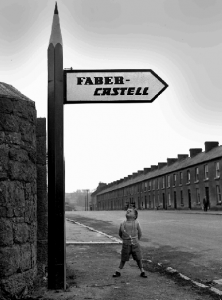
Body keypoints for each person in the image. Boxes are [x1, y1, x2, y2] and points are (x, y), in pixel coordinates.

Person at [112, 207, 147, 278]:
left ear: (135, 216)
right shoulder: (123, 223)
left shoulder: (136, 223)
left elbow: (140, 233)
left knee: (138, 258)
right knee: (123, 258)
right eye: (127, 211)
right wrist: (125, 239)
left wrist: (137, 240)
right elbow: (120, 233)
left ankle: (142, 271)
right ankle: (118, 271)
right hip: (126, 245)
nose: (128, 211)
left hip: (135, 245)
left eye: (130, 211)